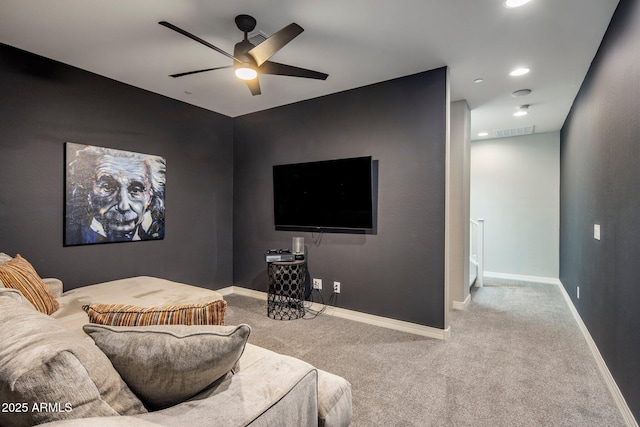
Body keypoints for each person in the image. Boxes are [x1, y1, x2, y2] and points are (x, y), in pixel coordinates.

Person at [65, 143, 166, 245]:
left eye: (135, 190)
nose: (123, 206)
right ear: (88, 192)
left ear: (150, 197)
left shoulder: (154, 235)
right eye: (108, 187)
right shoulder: (74, 237)